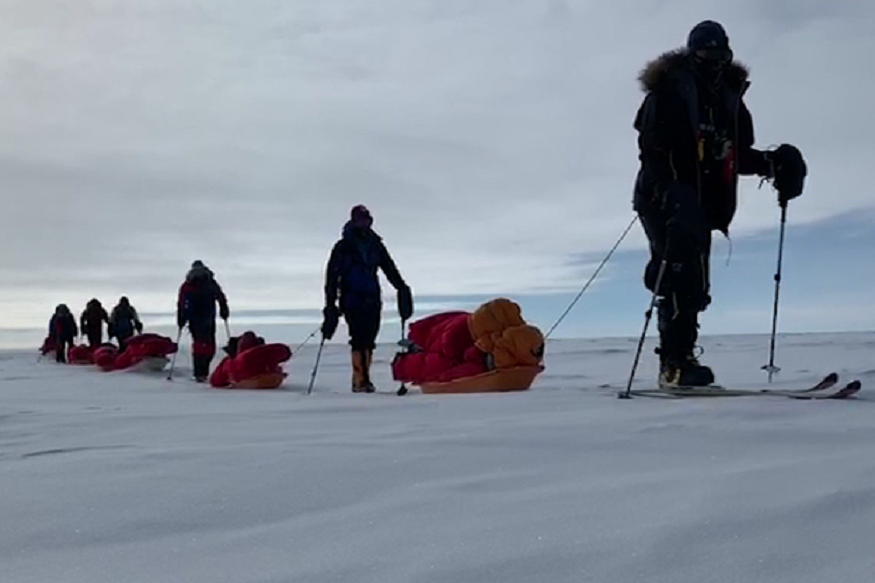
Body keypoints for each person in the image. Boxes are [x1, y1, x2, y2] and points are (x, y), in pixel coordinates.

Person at [633, 20, 807, 387]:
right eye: (706, 53)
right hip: (662, 200)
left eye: (721, 53)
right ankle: (674, 364)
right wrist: (672, 194)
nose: (714, 60)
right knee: (677, 273)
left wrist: (773, 164)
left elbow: (735, 155)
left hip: (700, 204)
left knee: (695, 284)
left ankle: (682, 359)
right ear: (692, 53)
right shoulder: (667, 93)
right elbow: (652, 153)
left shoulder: (729, 99)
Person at [321, 205, 413, 392]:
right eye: (361, 219)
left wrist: (401, 287)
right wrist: (330, 304)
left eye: (367, 219)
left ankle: (364, 377)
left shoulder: (375, 245)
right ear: (354, 221)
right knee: (358, 337)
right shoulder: (343, 246)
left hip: (372, 297)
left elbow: (389, 268)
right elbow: (332, 276)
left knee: (370, 337)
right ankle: (360, 380)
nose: (364, 222)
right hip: (351, 298)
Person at [177, 260, 230, 382]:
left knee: (198, 343)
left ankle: (199, 372)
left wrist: (181, 319)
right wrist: (224, 310)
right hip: (208, 317)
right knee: (209, 343)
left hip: (194, 318)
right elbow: (221, 297)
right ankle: (204, 370)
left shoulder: (188, 284)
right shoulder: (210, 282)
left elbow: (181, 303)